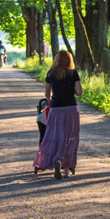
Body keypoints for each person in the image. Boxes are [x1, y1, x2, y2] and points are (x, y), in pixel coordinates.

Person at [33, 50, 82, 180]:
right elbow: (79, 92)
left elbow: (47, 94)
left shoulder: (51, 73)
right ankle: (66, 169)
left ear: (57, 59)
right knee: (70, 137)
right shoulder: (73, 73)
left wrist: (50, 101)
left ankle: (56, 159)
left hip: (56, 109)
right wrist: (70, 90)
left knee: (55, 136)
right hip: (71, 109)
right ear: (69, 60)